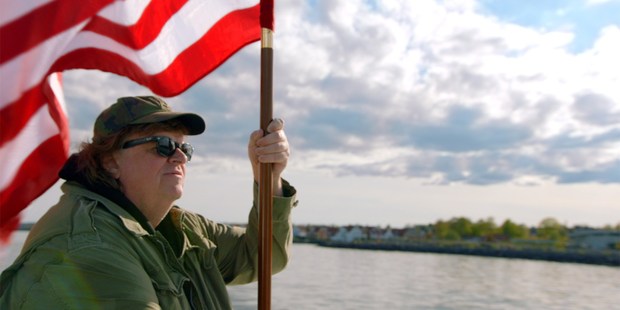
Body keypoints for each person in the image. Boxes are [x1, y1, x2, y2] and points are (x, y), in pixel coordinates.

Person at [0, 96, 297, 309]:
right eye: (163, 145)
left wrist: (268, 178)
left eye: (184, 148)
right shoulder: (87, 246)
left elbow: (263, 254)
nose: (180, 156)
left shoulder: (182, 227)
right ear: (110, 161)